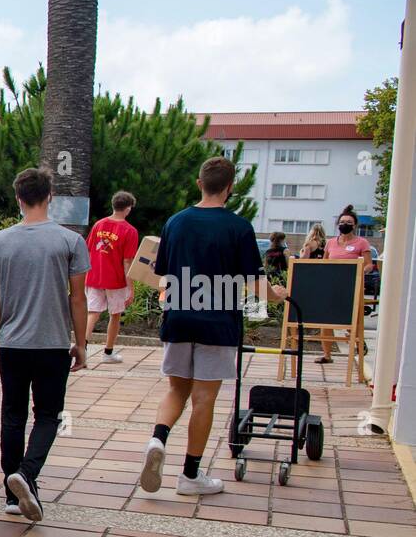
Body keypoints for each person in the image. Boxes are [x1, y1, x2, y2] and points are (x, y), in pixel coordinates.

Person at [138, 157, 287, 497]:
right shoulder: (238, 228)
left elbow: (162, 273)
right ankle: (190, 476)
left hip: (178, 316)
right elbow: (254, 282)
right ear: (230, 187)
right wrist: (276, 296)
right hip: (217, 323)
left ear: (198, 183)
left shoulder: (175, 223)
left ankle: (157, 438)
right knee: (204, 398)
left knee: (177, 390)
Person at [0, 166, 90, 522]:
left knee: (12, 414)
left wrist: (4, 328)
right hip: (53, 344)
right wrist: (81, 343)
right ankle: (27, 474)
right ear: (50, 197)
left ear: (18, 198)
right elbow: (78, 298)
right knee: (47, 415)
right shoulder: (70, 241)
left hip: (12, 344)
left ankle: (12, 494)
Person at [85, 190, 139, 363]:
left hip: (95, 276)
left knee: (93, 312)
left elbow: (89, 249)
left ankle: (81, 347)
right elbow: (127, 261)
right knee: (115, 314)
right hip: (116, 280)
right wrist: (131, 287)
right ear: (128, 208)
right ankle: (108, 352)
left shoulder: (98, 225)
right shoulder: (130, 231)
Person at [315, 206, 373, 363]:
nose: (345, 224)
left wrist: (360, 272)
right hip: (332, 286)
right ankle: (327, 355)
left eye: (348, 222)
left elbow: (369, 265)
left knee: (350, 319)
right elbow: (324, 262)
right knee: (326, 321)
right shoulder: (330, 242)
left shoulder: (362, 242)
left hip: (351, 286)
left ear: (354, 225)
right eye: (342, 221)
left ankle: (359, 343)